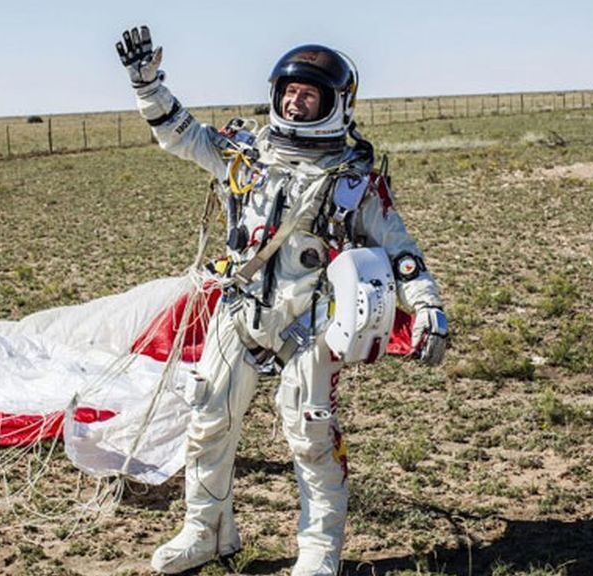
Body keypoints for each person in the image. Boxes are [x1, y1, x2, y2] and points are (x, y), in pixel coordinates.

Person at [115, 26, 448, 576]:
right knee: (208, 421)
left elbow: (398, 249)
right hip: (241, 308)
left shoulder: (354, 178)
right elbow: (180, 134)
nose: (296, 101)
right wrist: (146, 83)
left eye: (309, 94)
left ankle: (318, 551)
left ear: (335, 103)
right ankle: (206, 531)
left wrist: (427, 304)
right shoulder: (246, 154)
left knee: (311, 434)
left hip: (310, 321)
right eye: (289, 91)